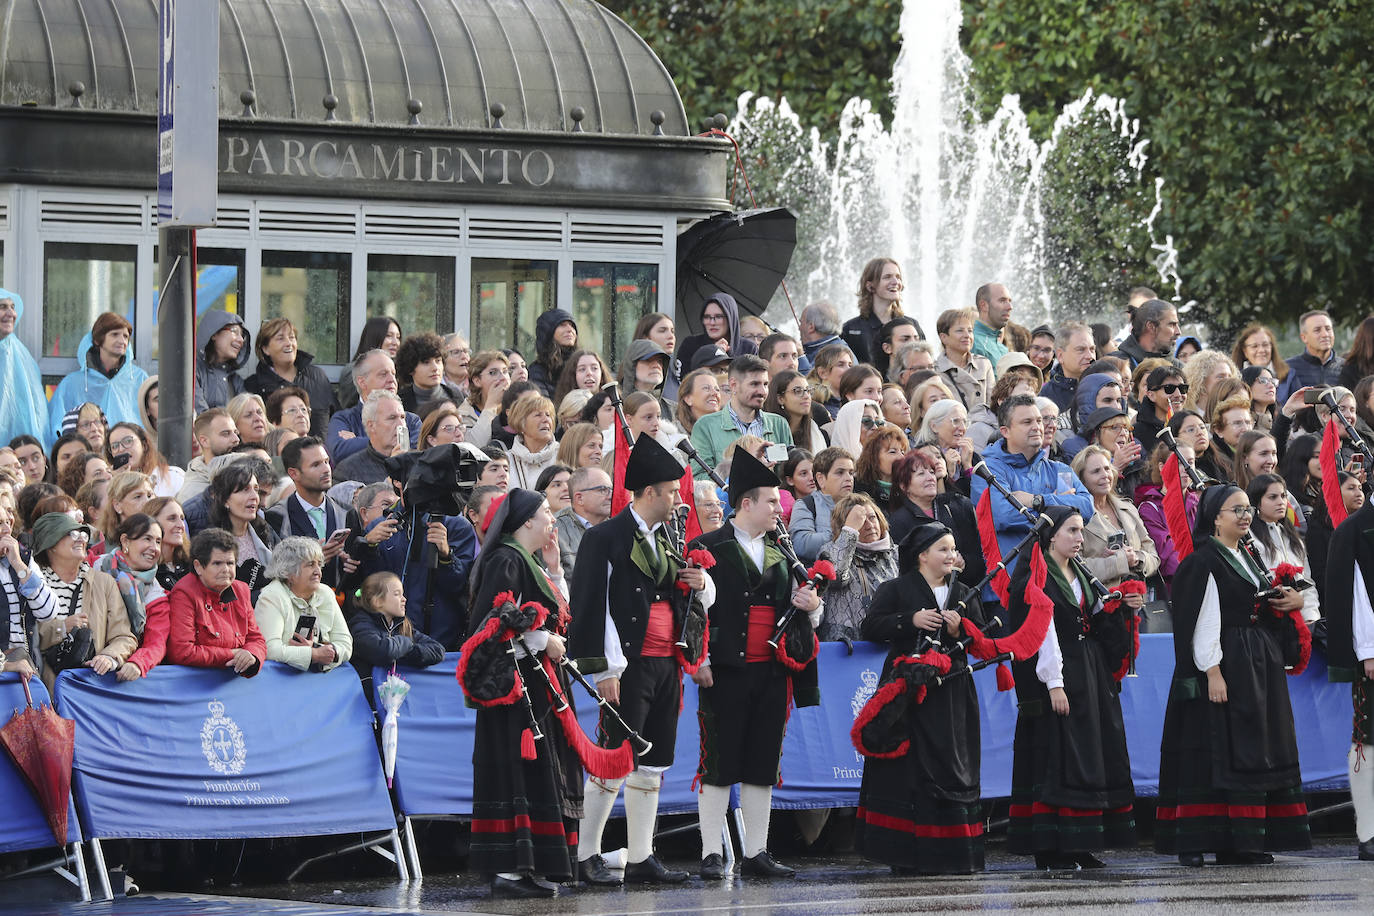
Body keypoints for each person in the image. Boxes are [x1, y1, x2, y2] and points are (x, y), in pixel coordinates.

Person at [567, 435, 712, 886]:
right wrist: (608, 670)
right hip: (627, 667)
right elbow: (594, 605)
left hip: (666, 664)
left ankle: (641, 856)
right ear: (649, 492)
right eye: (671, 490)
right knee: (615, 757)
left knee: (653, 761)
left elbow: (690, 599)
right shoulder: (603, 537)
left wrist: (700, 582)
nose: (676, 498)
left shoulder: (668, 537)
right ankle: (585, 854)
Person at [1156, 485, 1312, 865]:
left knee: (1250, 750)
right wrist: (1212, 672)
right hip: (1225, 665)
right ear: (1215, 517)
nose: (1245, 516)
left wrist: (1291, 601)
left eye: (1247, 510)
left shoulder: (1247, 554)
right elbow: (1201, 620)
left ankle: (1241, 843)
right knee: (1213, 750)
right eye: (1235, 510)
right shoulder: (1203, 560)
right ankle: (1194, 842)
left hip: (1256, 665)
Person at [688, 448, 822, 879]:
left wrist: (811, 605)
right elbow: (692, 612)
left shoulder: (784, 553)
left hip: (772, 669)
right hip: (724, 667)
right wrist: (700, 660)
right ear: (746, 503)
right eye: (770, 501)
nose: (778, 508)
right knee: (719, 759)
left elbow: (805, 612)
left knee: (764, 759)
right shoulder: (705, 547)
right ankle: (712, 852)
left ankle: (756, 851)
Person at [460, 488, 579, 898]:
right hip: (516, 689)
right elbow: (491, 623)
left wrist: (555, 570)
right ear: (526, 520)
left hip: (538, 684)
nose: (552, 518)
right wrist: (541, 638)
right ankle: (510, 871)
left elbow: (560, 614)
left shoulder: (528, 560)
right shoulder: (505, 559)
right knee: (518, 767)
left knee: (540, 770)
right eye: (546, 511)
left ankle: (535, 867)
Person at [1006, 506, 1138, 870]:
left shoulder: (1078, 571)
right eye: (1073, 531)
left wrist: (1122, 606)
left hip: (1088, 673)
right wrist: (1054, 684)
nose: (1081, 538)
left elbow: (1091, 617)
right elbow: (1042, 633)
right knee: (1057, 756)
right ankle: (1050, 846)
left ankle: (1080, 842)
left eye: (1082, 531)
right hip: (1059, 676)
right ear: (1050, 537)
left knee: (1089, 754)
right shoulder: (1037, 577)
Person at [857, 521, 986, 875]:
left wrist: (962, 629)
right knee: (908, 768)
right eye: (943, 549)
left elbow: (982, 637)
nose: (951, 555)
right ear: (922, 555)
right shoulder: (896, 588)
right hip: (908, 690)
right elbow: (871, 627)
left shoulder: (966, 591)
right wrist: (910, 619)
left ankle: (953, 852)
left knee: (951, 765)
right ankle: (907, 854)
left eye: (953, 549)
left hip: (952, 691)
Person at [971, 395, 1093, 608]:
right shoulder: (988, 470)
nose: (1038, 426)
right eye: (1027, 422)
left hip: (1058, 585)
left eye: (1038, 420)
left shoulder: (1060, 470)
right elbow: (1002, 516)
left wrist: (1038, 501)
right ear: (1005, 431)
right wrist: (1060, 510)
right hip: (1009, 589)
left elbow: (1087, 508)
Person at [350, 475, 476, 651]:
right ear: (398, 482)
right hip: (389, 638)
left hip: (442, 639)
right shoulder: (380, 526)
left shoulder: (455, 525)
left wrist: (446, 555)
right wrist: (367, 545)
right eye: (415, 475)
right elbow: (366, 587)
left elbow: (459, 586)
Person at [1321, 496, 1374, 861]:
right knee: (1368, 744)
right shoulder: (1355, 529)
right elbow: (1357, 595)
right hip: (1373, 654)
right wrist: (1369, 651)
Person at [32, 511, 135, 692]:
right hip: (45, 689)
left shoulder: (104, 583)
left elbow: (124, 636)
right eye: (72, 534)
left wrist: (109, 658)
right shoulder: (34, 585)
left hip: (89, 689)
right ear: (50, 543)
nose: (81, 539)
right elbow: (24, 639)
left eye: (83, 534)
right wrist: (62, 628)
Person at [166, 528, 266, 677]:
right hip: (193, 685)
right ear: (198, 566)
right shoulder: (184, 593)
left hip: (234, 684)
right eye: (217, 563)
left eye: (230, 563)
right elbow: (182, 651)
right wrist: (233, 655)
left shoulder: (241, 589)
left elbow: (256, 638)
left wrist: (252, 655)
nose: (226, 570)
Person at [263, 436, 356, 588]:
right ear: (294, 474)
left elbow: (355, 575)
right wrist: (314, 562)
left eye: (326, 461)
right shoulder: (276, 516)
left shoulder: (347, 512)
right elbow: (274, 572)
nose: (326, 469)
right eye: (316, 465)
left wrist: (349, 564)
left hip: (338, 605)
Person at [888, 449, 985, 590]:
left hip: (965, 594)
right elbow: (903, 571)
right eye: (921, 474)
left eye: (932, 472)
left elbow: (978, 556)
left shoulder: (957, 506)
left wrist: (964, 564)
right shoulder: (898, 522)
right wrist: (943, 567)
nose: (930, 478)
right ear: (904, 486)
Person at [254, 537, 352, 672]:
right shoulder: (272, 596)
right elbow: (269, 650)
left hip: (323, 680)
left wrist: (319, 650)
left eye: (319, 564)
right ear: (289, 572)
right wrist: (313, 654)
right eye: (311, 564)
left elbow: (346, 644)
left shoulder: (326, 593)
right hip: (283, 682)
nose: (318, 571)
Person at [49, 313, 149, 443]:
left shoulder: (139, 378)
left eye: (125, 336)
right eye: (115, 334)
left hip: (132, 455)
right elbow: (57, 427)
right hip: (87, 459)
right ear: (97, 340)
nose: (122, 341)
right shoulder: (72, 383)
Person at [1073, 445, 1160, 590]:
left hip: (1139, 601)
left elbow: (1154, 558)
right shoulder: (1075, 516)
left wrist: (1136, 559)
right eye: (1096, 471)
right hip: (1103, 603)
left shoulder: (1128, 508)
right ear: (1082, 480)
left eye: (1107, 469)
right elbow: (1075, 568)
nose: (1105, 475)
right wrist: (1119, 562)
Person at [98, 514, 172, 680]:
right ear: (125, 541)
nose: (154, 548)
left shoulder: (155, 595)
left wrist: (138, 663)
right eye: (147, 539)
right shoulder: (94, 566)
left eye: (158, 542)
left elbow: (156, 643)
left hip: (120, 669)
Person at [816, 492, 897, 642]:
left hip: (886, 644)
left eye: (872, 518)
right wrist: (850, 532)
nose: (869, 525)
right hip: (845, 647)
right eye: (860, 521)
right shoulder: (828, 551)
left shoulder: (895, 554)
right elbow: (837, 576)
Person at [690, 355, 792, 469]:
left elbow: (788, 475)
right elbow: (700, 477)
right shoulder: (705, 426)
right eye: (754, 384)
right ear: (733, 385)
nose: (762, 391)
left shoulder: (779, 424)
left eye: (765, 384)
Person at [1247, 473, 1320, 624]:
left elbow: (1307, 584)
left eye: (1283, 496)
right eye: (1272, 497)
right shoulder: (1248, 538)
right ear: (1257, 501)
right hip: (1266, 624)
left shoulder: (1294, 539)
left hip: (1300, 624)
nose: (1281, 502)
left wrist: (1311, 618)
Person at [245, 317, 337, 436]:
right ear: (265, 349)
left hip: (320, 452)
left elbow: (336, 417)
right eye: (280, 338)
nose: (289, 343)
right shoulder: (254, 385)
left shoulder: (317, 376)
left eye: (292, 337)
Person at [0, 487, 56, 680]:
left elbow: (48, 612)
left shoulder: (21, 557)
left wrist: (18, 565)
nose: (7, 529)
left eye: (8, 520)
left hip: (26, 670)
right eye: (0, 523)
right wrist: (7, 665)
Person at [326, 350, 421, 464]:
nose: (392, 380)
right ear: (362, 382)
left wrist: (357, 441)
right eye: (383, 374)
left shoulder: (410, 420)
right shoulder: (343, 419)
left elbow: (416, 454)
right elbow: (338, 452)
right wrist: (392, 442)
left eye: (393, 374)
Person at [347, 571, 445, 680]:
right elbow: (382, 651)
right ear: (378, 601)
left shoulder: (401, 625)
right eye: (397, 594)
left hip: (394, 694)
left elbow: (438, 650)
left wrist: (402, 651)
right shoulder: (360, 624)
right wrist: (407, 642)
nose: (404, 599)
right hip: (365, 693)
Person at [789, 446, 856, 563]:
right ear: (821, 479)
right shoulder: (806, 505)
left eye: (851, 473)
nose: (848, 478)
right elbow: (801, 545)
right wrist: (846, 531)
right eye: (840, 472)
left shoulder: (861, 505)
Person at [0, 289, 49, 445]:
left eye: (13, 307)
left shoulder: (22, 356)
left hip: (19, 454)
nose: (11, 313)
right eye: (3, 307)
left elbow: (36, 409)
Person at [843, 259, 912, 365]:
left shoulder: (912, 326)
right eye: (887, 277)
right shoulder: (850, 329)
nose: (895, 282)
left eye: (898, 277)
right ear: (870, 286)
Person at [934, 308, 995, 428]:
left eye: (970, 331)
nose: (967, 335)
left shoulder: (983, 364)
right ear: (943, 337)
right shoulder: (935, 370)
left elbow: (992, 405)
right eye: (959, 331)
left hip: (982, 430)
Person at [335, 391, 410, 485]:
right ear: (371, 426)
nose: (401, 424)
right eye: (392, 418)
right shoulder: (349, 471)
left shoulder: (418, 462)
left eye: (403, 417)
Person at [552, 466, 611, 583]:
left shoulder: (617, 528)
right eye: (602, 490)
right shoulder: (554, 530)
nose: (610, 496)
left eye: (611, 490)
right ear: (579, 498)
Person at [676, 293, 757, 378]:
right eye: (707, 317)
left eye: (718, 316)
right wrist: (712, 353)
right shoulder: (690, 344)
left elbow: (752, 384)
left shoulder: (749, 348)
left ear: (731, 318)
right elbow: (683, 384)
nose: (712, 322)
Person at [1277, 309, 1344, 403]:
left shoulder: (1347, 366)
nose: (1325, 334)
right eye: (1317, 330)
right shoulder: (1288, 368)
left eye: (1328, 329)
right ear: (1304, 337)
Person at [191, 309, 250, 413]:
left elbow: (247, 415)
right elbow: (202, 418)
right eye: (234, 332)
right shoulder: (192, 370)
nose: (241, 340)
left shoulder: (236, 380)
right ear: (213, 334)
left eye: (242, 336)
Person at [339, 316, 403, 409]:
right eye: (388, 336)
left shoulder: (399, 370)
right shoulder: (353, 370)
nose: (395, 342)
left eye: (398, 337)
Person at [106, 422, 184, 499]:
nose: (121, 449)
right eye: (114, 446)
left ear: (144, 445)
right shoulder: (111, 488)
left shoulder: (173, 476)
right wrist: (118, 483)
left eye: (128, 441)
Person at [1109, 298, 1181, 370]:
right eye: (1172, 325)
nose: (1178, 332)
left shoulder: (1182, 369)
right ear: (1151, 326)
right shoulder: (1114, 365)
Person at [507, 394, 560, 490]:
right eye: (538, 415)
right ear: (521, 424)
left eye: (548, 415)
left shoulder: (563, 455)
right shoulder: (507, 461)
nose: (546, 420)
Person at [764, 369, 825, 453]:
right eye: (798, 391)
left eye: (808, 390)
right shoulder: (766, 431)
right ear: (780, 399)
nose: (806, 396)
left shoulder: (814, 431)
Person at [1040, 322, 1097, 411]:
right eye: (1081, 350)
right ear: (1060, 356)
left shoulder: (1106, 385)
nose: (1090, 356)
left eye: (1092, 349)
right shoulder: (1046, 397)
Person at [460, 350, 512, 447]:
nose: (503, 378)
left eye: (505, 371)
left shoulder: (517, 406)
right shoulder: (464, 414)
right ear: (477, 381)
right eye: (493, 373)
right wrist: (491, 406)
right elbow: (475, 446)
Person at [853, 423, 907, 508]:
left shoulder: (910, 489)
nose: (901, 457)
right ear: (874, 457)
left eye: (902, 452)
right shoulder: (857, 489)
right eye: (893, 452)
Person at [395, 331, 450, 415]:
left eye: (438, 361)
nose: (435, 368)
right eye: (426, 362)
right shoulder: (399, 402)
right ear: (410, 368)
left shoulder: (455, 396)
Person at [528, 308, 579, 398]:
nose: (570, 329)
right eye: (562, 325)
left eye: (572, 326)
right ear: (548, 333)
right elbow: (543, 408)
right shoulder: (537, 371)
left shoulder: (583, 365)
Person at [632, 313, 679, 401]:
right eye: (662, 330)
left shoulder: (673, 372)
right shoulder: (634, 371)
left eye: (672, 331)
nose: (671, 336)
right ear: (646, 337)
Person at [972, 282, 1013, 365]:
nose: (1010, 307)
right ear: (983, 305)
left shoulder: (1001, 347)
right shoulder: (973, 342)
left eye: (1009, 301)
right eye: (1002, 301)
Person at [676, 368, 724, 437]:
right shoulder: (675, 436)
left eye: (717, 389)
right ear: (688, 399)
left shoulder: (732, 431)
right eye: (706, 388)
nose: (714, 393)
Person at [441, 333, 471, 404]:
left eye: (466, 351)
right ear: (442, 359)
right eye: (456, 352)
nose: (464, 356)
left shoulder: (479, 384)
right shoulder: (435, 389)